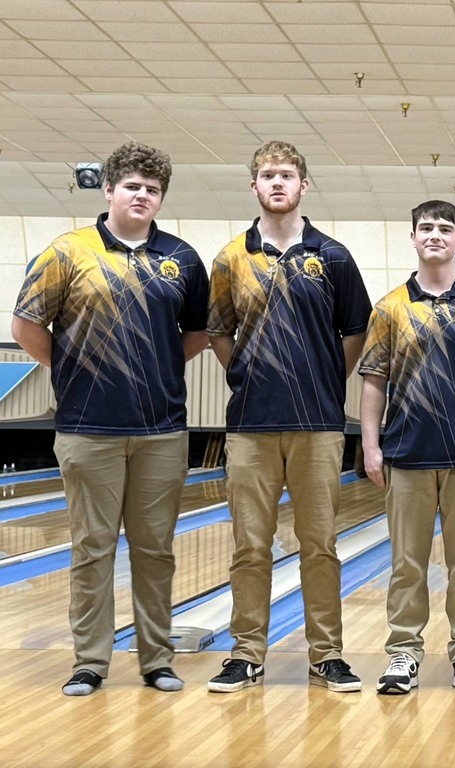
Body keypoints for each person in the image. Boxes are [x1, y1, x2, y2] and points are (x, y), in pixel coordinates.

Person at [11, 141, 210, 696]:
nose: (142, 195)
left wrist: (160, 367)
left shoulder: (182, 258)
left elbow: (196, 333)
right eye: (133, 187)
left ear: (161, 197)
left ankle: (157, 660)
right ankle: (90, 662)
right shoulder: (67, 252)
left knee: (156, 551)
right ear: (109, 190)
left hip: (162, 430)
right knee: (91, 549)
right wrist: (74, 368)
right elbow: (27, 326)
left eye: (152, 189)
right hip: (86, 427)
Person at [205, 140, 372, 694]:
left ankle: (326, 656)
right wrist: (250, 377)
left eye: (287, 175)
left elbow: (356, 334)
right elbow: (219, 333)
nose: (277, 183)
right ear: (254, 186)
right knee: (250, 546)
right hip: (250, 423)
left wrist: (325, 382)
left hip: (319, 424)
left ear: (305, 185)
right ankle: (246, 653)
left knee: (319, 544)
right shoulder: (232, 259)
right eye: (267, 175)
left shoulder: (335, 256)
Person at [359, 200, 455, 696]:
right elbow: (373, 383)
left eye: (444, 228)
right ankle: (403, 651)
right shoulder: (390, 308)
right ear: (412, 237)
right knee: (407, 561)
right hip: (406, 454)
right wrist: (370, 447)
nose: (434, 235)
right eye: (425, 227)